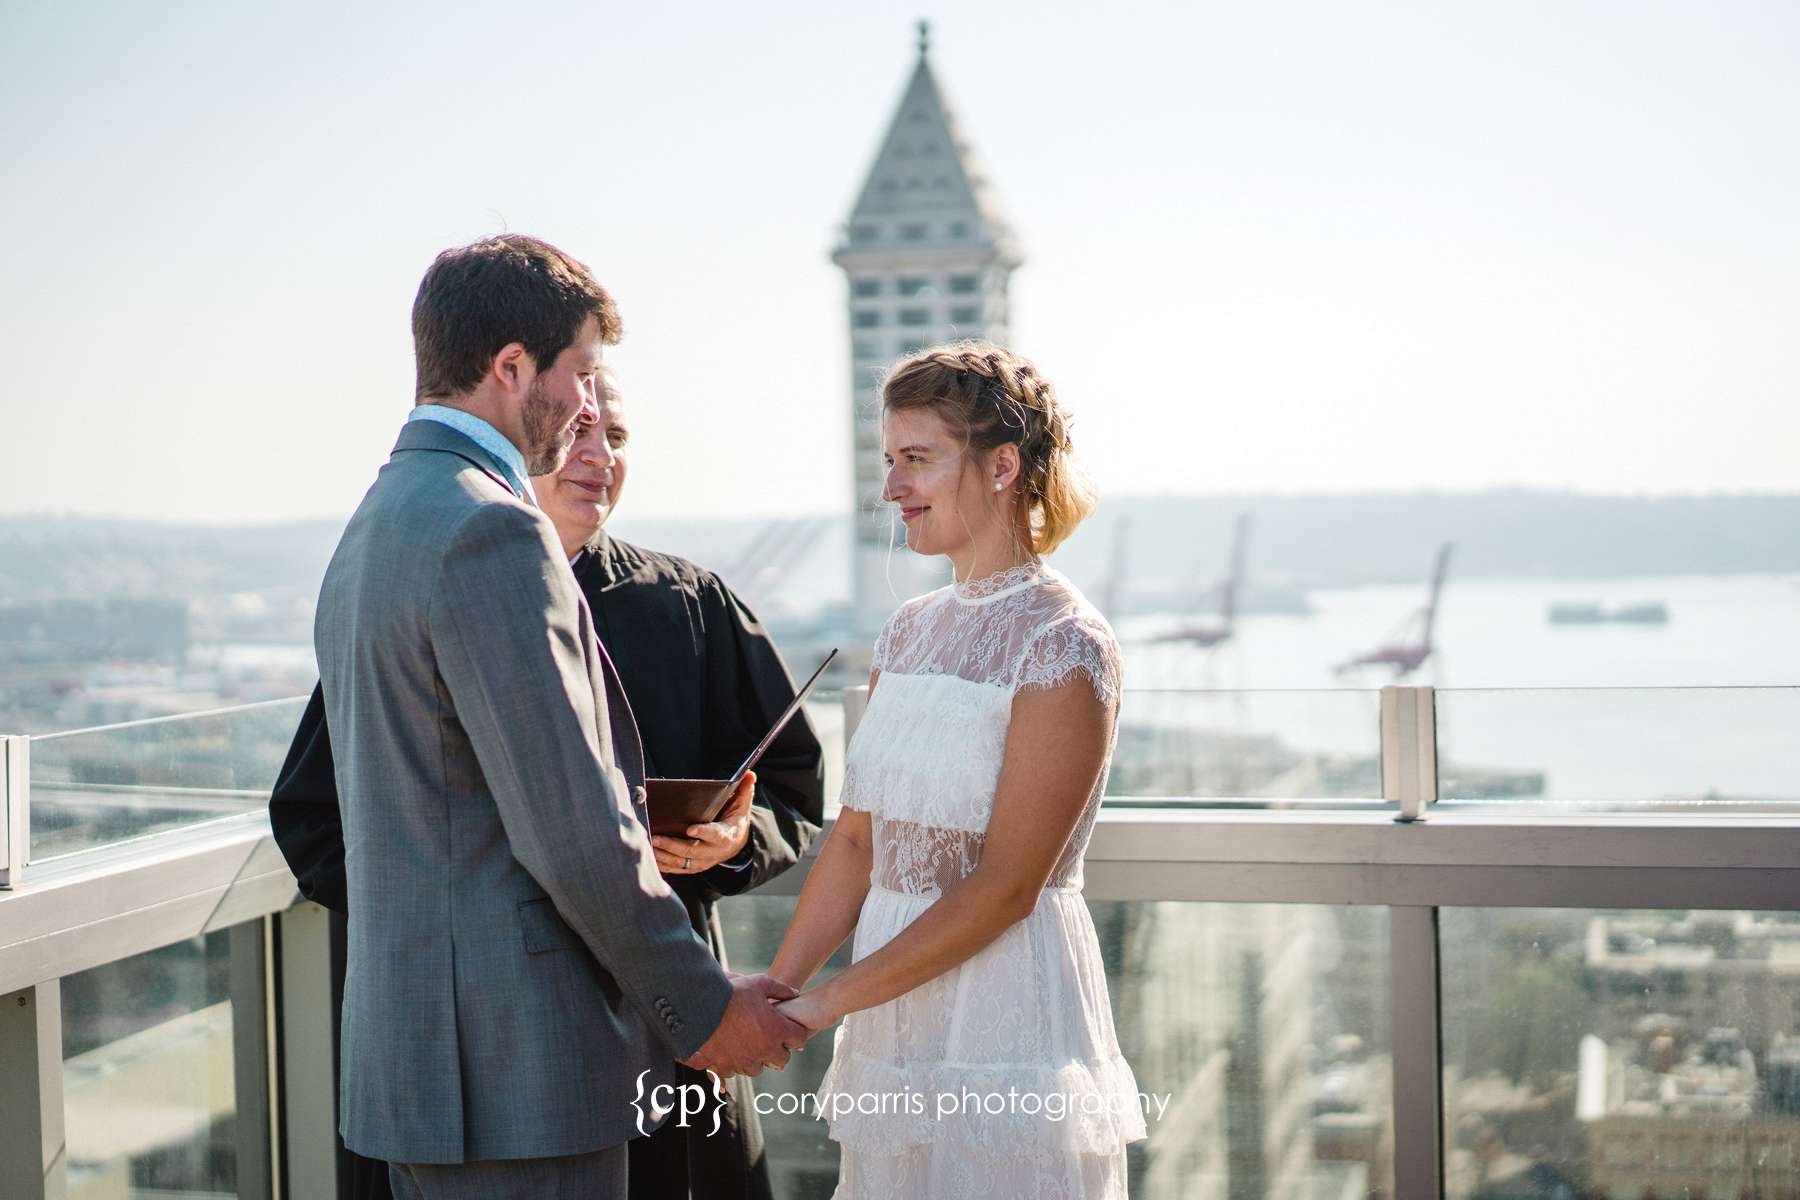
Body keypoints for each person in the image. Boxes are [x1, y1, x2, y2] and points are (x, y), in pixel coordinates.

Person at [311, 234, 805, 1198]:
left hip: (423, 1076)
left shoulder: (379, 519)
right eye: (580, 373)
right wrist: (702, 1009)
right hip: (521, 1077)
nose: (588, 404)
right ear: (510, 368)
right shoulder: (493, 529)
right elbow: (574, 832)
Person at [765, 343, 1145, 1197]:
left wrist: (826, 1004)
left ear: (1003, 465)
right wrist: (777, 991)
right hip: (891, 1017)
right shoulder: (904, 631)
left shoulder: (1065, 644)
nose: (892, 486)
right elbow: (859, 843)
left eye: (917, 460)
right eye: (889, 461)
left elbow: (1008, 887)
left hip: (1006, 1014)